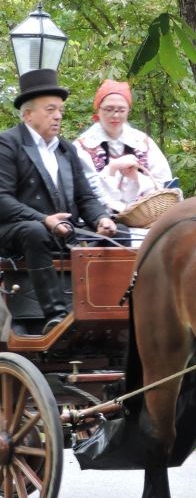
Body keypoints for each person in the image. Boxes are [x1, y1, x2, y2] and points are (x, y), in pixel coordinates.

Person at [0, 68, 118, 334]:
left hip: (64, 229)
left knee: (121, 236)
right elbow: (2, 200)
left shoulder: (66, 149)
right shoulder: (7, 144)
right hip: (15, 231)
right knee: (35, 231)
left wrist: (102, 218)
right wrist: (44, 219)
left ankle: (115, 311)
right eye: (50, 110)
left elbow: (85, 197)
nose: (58, 116)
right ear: (28, 114)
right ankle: (56, 316)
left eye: (60, 110)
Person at [73, 79, 174, 215]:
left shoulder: (143, 143)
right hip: (98, 222)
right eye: (109, 109)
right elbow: (84, 191)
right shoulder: (83, 146)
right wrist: (112, 168)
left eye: (121, 110)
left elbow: (163, 183)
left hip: (145, 218)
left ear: (128, 111)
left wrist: (137, 178)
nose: (115, 115)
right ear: (98, 109)